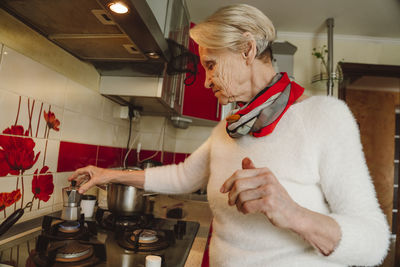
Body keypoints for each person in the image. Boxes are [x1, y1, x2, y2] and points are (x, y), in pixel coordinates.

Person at [69, 4, 390, 267]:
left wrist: (293, 214)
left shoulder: (324, 115)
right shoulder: (229, 128)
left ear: (248, 50)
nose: (206, 81)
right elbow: (182, 177)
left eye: (210, 64)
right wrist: (106, 175)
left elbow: (375, 244)